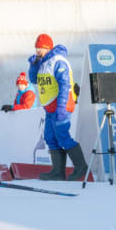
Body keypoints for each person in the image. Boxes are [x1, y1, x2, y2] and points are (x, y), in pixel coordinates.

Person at [28, 34, 87, 181]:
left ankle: (81, 168)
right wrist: (33, 66)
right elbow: (34, 79)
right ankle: (57, 172)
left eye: (39, 48)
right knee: (50, 137)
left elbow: (65, 85)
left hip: (61, 105)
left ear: (47, 47)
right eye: (36, 48)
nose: (37, 51)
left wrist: (61, 106)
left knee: (62, 136)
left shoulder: (58, 61)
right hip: (50, 108)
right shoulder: (42, 62)